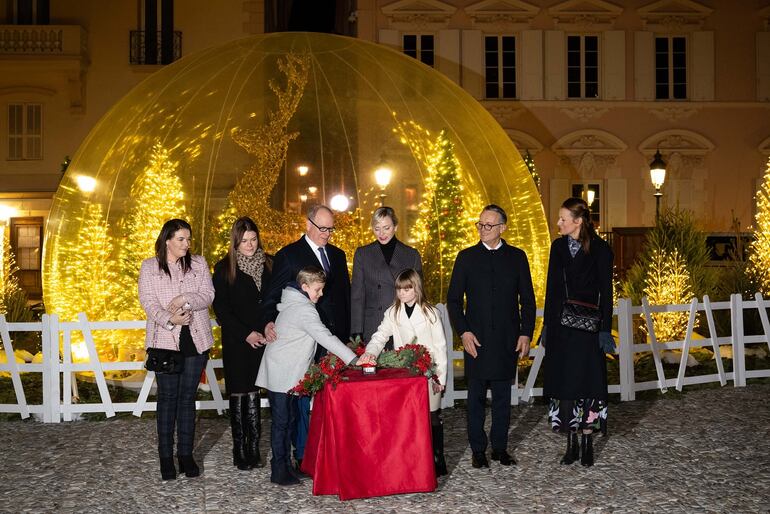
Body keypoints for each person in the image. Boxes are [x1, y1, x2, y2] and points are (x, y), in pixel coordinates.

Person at [260, 204, 351, 470]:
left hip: (333, 339)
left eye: (331, 229)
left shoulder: (338, 254)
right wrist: (267, 322)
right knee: (298, 401)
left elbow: (344, 298)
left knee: (327, 399)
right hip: (303, 341)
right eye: (322, 228)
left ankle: (324, 452)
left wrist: (348, 336)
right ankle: (303, 456)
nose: (327, 234)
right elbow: (271, 295)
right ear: (308, 224)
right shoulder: (288, 255)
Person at [446, 204, 536, 469]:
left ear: (502, 228)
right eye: (480, 224)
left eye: (488, 225)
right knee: (474, 398)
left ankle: (500, 447)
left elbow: (527, 301)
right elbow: (453, 300)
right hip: (475, 340)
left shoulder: (517, 257)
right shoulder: (466, 257)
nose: (482, 229)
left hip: (507, 339)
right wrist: (463, 332)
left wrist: (525, 333)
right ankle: (477, 449)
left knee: (501, 397)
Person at [256, 267, 357, 486]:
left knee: (289, 420)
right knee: (282, 422)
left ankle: (286, 466)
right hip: (282, 372)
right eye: (318, 290)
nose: (321, 294)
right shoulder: (304, 310)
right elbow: (325, 338)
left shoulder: (297, 304)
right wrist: (353, 360)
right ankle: (279, 470)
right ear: (304, 287)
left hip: (287, 372)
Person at [138, 219, 215, 481]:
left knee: (187, 399)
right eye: (181, 239)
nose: (187, 244)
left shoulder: (199, 263)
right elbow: (147, 301)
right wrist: (171, 320)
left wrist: (185, 300)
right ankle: (165, 457)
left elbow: (208, 295)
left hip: (195, 341)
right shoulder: (150, 266)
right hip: (164, 342)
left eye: (188, 239)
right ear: (167, 240)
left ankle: (185, 455)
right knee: (167, 399)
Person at [542, 197, 614, 467]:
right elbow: (552, 290)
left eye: (563, 218)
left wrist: (605, 330)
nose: (558, 223)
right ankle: (570, 442)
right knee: (565, 384)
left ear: (578, 221)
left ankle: (587, 442)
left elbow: (607, 293)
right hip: (561, 328)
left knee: (588, 385)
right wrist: (547, 327)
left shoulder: (601, 250)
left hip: (588, 330)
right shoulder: (558, 247)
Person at [357, 268, 448, 476]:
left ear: (416, 288)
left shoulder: (431, 313)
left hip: (429, 371)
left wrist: (440, 377)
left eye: (406, 289)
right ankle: (412, 457)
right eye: (399, 289)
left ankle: (437, 456)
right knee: (408, 416)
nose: (402, 293)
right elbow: (380, 336)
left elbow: (440, 346)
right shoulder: (392, 312)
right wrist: (370, 353)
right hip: (405, 373)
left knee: (432, 415)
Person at [212, 217, 272, 471]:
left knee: (255, 392)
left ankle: (254, 448)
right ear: (235, 242)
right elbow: (221, 310)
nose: (249, 245)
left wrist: (269, 325)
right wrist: (246, 333)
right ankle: (239, 449)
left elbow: (275, 299)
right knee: (239, 392)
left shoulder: (270, 263)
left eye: (253, 239)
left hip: (265, 339)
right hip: (238, 340)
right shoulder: (224, 268)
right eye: (244, 240)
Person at [350, 207, 422, 344]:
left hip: (404, 323)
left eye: (386, 228)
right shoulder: (362, 254)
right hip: (373, 324)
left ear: (395, 227)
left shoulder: (412, 255)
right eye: (377, 229)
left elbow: (419, 293)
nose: (381, 233)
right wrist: (356, 329)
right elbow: (357, 295)